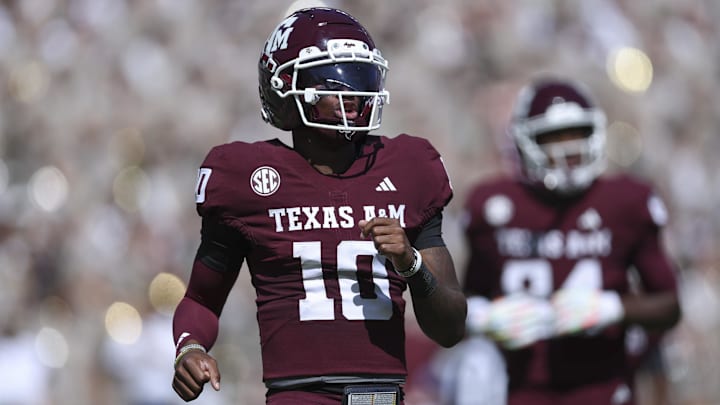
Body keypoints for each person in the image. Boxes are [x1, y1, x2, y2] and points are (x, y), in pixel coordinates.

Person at [170, 7, 467, 405]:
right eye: (336, 81)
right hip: (300, 397)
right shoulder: (247, 178)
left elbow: (450, 328)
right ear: (286, 87)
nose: (354, 94)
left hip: (386, 398)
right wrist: (190, 347)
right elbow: (201, 300)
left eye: (360, 77)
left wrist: (410, 264)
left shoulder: (409, 166)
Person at [461, 77, 681, 405]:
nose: (568, 149)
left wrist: (611, 308)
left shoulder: (626, 201)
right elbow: (465, 299)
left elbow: (669, 305)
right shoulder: (492, 205)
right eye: (552, 138)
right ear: (524, 142)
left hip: (602, 384)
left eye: (577, 135)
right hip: (518, 388)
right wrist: (483, 317)